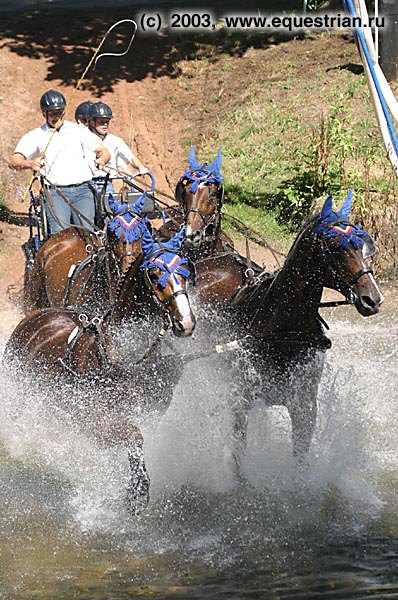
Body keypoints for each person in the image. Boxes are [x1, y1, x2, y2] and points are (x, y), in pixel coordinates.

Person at [9, 90, 110, 235]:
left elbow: (104, 151)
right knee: (60, 234)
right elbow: (14, 161)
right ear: (44, 113)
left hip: (83, 191)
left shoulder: (79, 130)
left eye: (60, 112)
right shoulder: (36, 135)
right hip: (55, 193)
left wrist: (102, 159)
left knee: (87, 233)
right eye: (52, 113)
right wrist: (30, 163)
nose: (57, 117)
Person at [87, 101, 149, 196]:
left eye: (107, 121)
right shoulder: (84, 139)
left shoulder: (115, 141)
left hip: (106, 183)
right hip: (87, 185)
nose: (105, 125)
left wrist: (141, 167)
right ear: (91, 122)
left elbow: (131, 158)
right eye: (101, 122)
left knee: (110, 207)